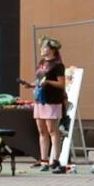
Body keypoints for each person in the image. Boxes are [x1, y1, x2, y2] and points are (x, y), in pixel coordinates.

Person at [32, 37, 68, 173]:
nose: (41, 49)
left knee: (52, 130)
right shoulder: (41, 63)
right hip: (40, 100)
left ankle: (55, 160)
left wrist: (48, 82)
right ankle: (44, 160)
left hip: (52, 101)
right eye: (41, 47)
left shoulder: (58, 65)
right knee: (42, 131)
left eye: (44, 47)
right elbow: (39, 80)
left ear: (52, 50)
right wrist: (32, 85)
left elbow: (61, 84)